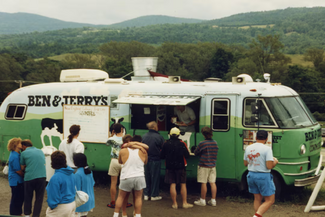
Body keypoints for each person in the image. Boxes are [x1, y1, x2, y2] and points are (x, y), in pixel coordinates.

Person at [244, 130, 278, 217]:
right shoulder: (267, 149)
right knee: (270, 200)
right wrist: (275, 162)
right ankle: (256, 216)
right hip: (263, 176)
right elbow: (269, 166)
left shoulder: (248, 148)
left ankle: (257, 215)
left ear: (256, 137)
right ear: (266, 138)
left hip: (251, 175)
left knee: (257, 198)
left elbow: (245, 163)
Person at [113, 135, 148, 217]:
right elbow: (145, 162)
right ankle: (138, 215)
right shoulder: (143, 151)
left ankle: (116, 214)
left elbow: (120, 161)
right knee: (138, 197)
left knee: (121, 196)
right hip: (139, 176)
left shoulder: (123, 151)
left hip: (126, 176)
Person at [160, 127, 193, 209]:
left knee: (172, 184)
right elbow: (187, 156)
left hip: (169, 166)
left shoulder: (166, 144)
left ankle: (175, 204)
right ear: (179, 135)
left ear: (170, 135)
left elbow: (162, 156)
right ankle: (184, 203)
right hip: (181, 166)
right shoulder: (182, 144)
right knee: (183, 184)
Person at [107, 123, 131, 208]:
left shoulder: (111, 139)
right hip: (124, 162)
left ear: (113, 130)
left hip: (114, 161)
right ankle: (125, 202)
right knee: (124, 183)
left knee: (113, 183)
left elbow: (106, 143)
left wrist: (112, 134)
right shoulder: (125, 139)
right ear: (122, 129)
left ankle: (113, 202)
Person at [20, 139, 46, 217]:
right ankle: (36, 215)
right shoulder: (40, 151)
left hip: (29, 177)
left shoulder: (23, 153)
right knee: (39, 198)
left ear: (24, 146)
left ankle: (27, 214)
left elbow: (22, 168)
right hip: (42, 176)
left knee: (28, 196)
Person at [46, 151, 76, 216]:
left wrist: (52, 206)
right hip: (72, 203)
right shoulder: (71, 173)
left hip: (61, 206)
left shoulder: (55, 177)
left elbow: (53, 195)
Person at [194, 126, 218, 207]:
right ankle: (213, 200)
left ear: (203, 134)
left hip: (203, 165)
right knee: (212, 183)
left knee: (203, 182)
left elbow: (196, 152)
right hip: (212, 165)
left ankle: (203, 200)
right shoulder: (215, 143)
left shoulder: (202, 143)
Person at [142, 121, 165, 201]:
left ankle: (145, 194)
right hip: (155, 159)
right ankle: (154, 195)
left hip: (145, 159)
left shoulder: (144, 136)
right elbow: (163, 148)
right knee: (155, 178)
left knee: (146, 177)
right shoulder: (159, 137)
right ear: (155, 127)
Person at [73, 153, 95, 217]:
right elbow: (92, 183)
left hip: (81, 201)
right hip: (89, 200)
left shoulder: (77, 174)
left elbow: (76, 189)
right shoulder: (89, 171)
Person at [7, 138, 24, 216]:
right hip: (16, 181)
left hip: (17, 181)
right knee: (16, 198)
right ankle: (14, 213)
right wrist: (25, 176)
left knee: (19, 197)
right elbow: (18, 170)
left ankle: (18, 212)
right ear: (15, 145)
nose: (21, 144)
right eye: (20, 143)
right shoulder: (14, 156)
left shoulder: (17, 154)